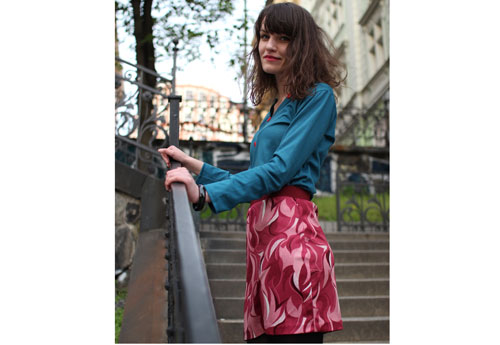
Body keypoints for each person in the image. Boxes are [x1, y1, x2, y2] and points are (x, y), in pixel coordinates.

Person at [159, 2, 345, 343]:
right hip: (263, 243)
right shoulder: (277, 107)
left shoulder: (318, 97)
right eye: (264, 36)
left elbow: (278, 173)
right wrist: (192, 165)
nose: (269, 46)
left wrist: (203, 194)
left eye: (283, 38)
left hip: (292, 245)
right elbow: (255, 177)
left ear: (301, 45)